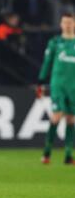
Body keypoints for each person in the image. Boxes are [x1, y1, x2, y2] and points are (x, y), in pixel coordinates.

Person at [36, 13, 75, 165]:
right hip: (58, 85)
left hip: (74, 87)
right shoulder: (55, 42)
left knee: (71, 120)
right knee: (56, 116)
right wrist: (40, 82)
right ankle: (46, 154)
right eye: (65, 22)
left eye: (70, 22)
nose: (67, 25)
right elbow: (47, 63)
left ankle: (68, 155)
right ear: (60, 24)